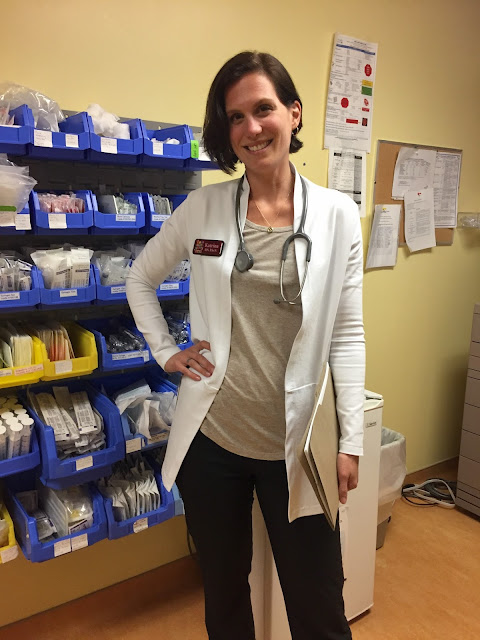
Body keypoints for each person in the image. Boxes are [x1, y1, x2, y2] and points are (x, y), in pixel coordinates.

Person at [126, 51, 365, 640]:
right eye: (236, 117)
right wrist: (166, 352)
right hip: (214, 443)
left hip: (298, 446)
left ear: (294, 113)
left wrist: (351, 441)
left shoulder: (338, 216)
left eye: (263, 109)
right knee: (225, 594)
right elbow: (140, 278)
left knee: (319, 606)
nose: (251, 128)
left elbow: (347, 333)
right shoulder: (203, 208)